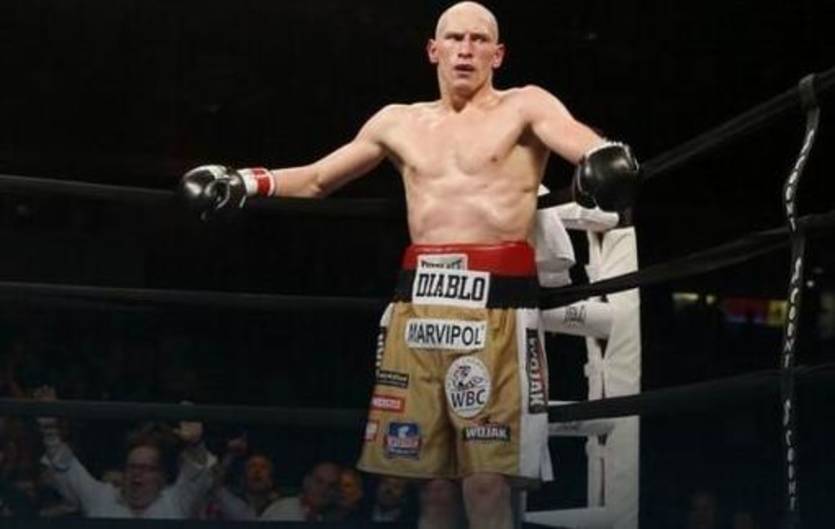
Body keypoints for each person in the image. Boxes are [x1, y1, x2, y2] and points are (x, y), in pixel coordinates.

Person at [180, 2, 638, 527]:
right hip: (419, 309)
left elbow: (586, 144)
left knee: (487, 483)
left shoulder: (526, 106)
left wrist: (606, 158)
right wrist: (243, 181)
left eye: (478, 40)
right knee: (432, 488)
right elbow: (318, 178)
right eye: (455, 38)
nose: (466, 49)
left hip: (497, 310)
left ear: (498, 54)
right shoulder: (397, 121)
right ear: (433, 49)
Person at [34, 386, 216, 519]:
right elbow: (65, 468)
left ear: (161, 476)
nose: (137, 473)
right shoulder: (101, 497)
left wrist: (195, 444)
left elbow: (196, 473)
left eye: (146, 468)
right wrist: (49, 429)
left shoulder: (176, 500)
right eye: (133, 467)